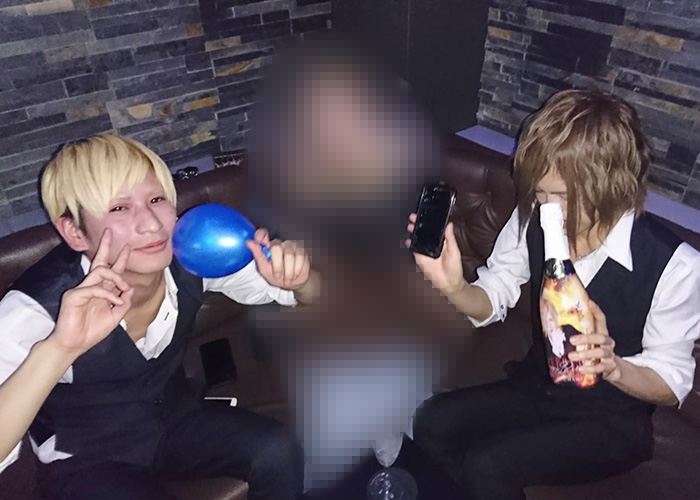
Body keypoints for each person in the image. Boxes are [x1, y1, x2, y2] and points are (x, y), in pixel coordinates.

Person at [409, 89, 700, 498]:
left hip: (611, 420)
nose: (546, 207)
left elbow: (671, 384)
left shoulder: (676, 266)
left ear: (612, 185)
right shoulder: (535, 216)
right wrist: (454, 287)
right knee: (430, 420)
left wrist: (613, 365)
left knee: (487, 466)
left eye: (561, 196)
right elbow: (496, 292)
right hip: (538, 386)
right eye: (539, 192)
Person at [0, 134, 320, 500]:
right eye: (119, 209)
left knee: (277, 451)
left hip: (175, 421)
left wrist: (301, 280)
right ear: (74, 232)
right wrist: (59, 348)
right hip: (87, 458)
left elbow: (305, 296)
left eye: (156, 200)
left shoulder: (192, 254)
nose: (152, 225)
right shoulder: (36, 307)